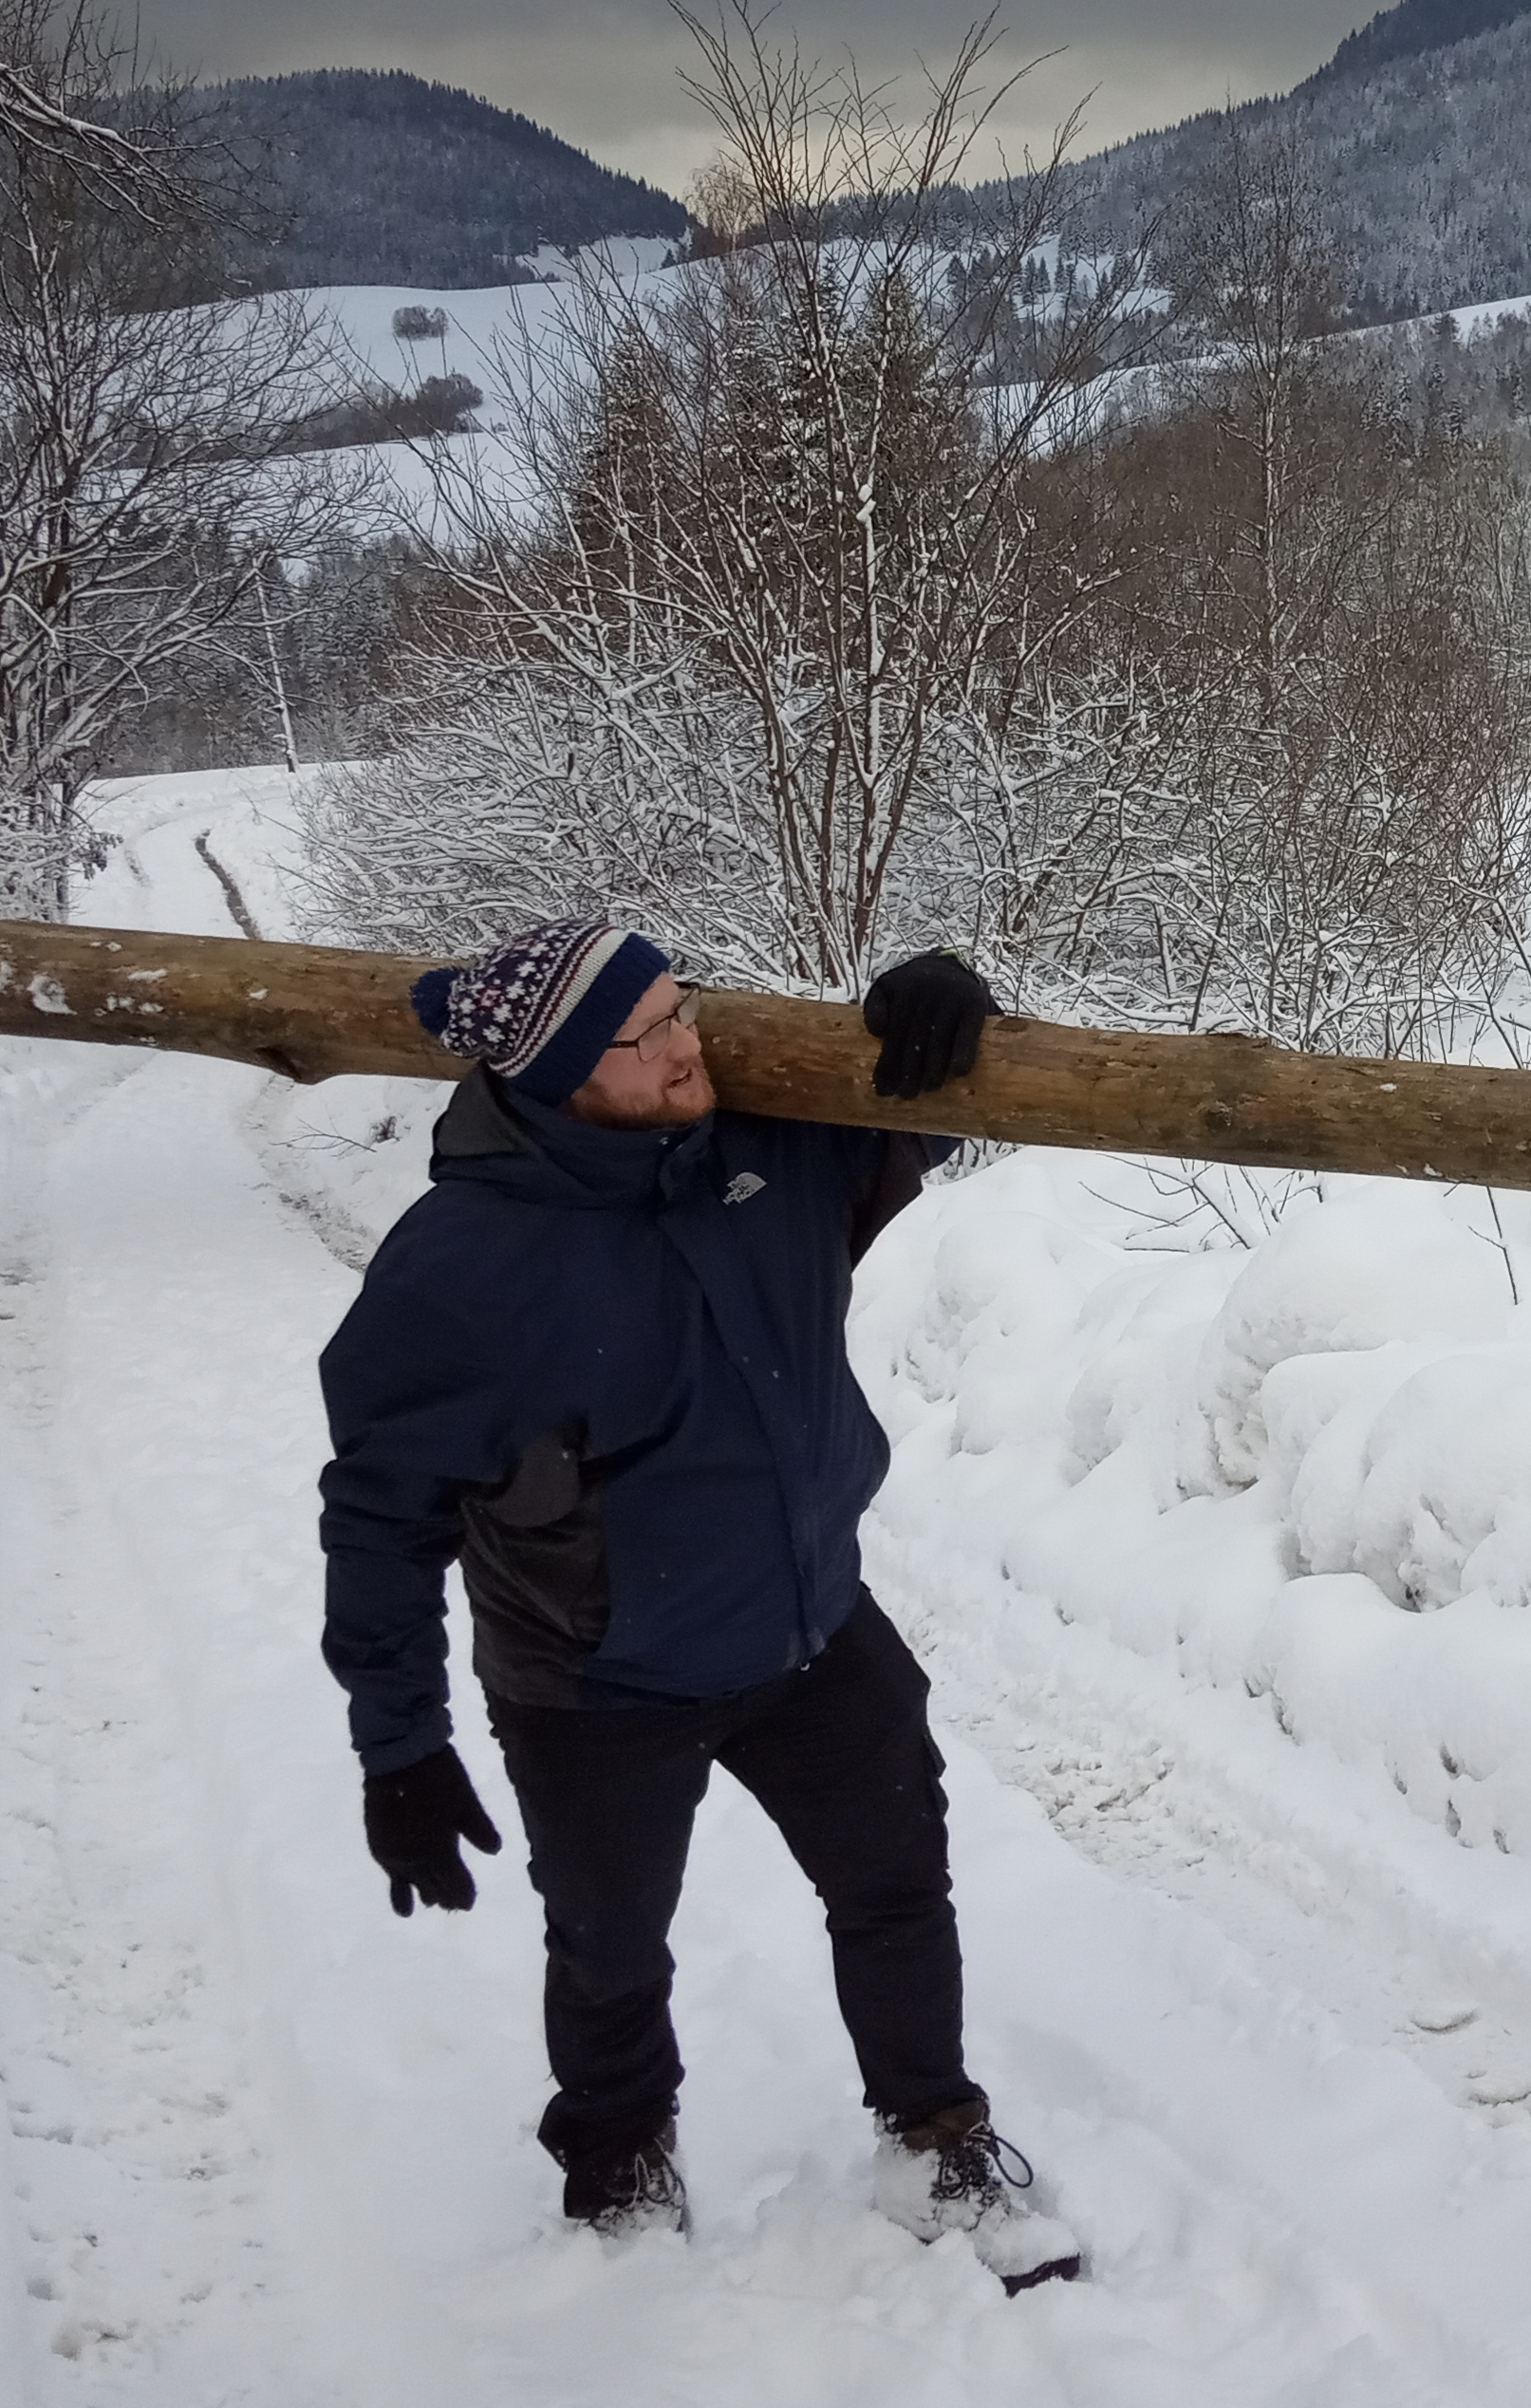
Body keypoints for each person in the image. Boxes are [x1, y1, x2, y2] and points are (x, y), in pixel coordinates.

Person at [314, 917, 1075, 2288]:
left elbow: (929, 1102)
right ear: (557, 1076)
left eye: (685, 1009)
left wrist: (947, 997)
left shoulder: (765, 1150)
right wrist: (399, 1744)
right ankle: (618, 2157)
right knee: (608, 1946)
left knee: (898, 1889)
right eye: (648, 1032)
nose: (688, 1047)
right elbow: (378, 1523)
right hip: (596, 1678)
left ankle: (934, 2133)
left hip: (812, 1628)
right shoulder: (455, 1273)